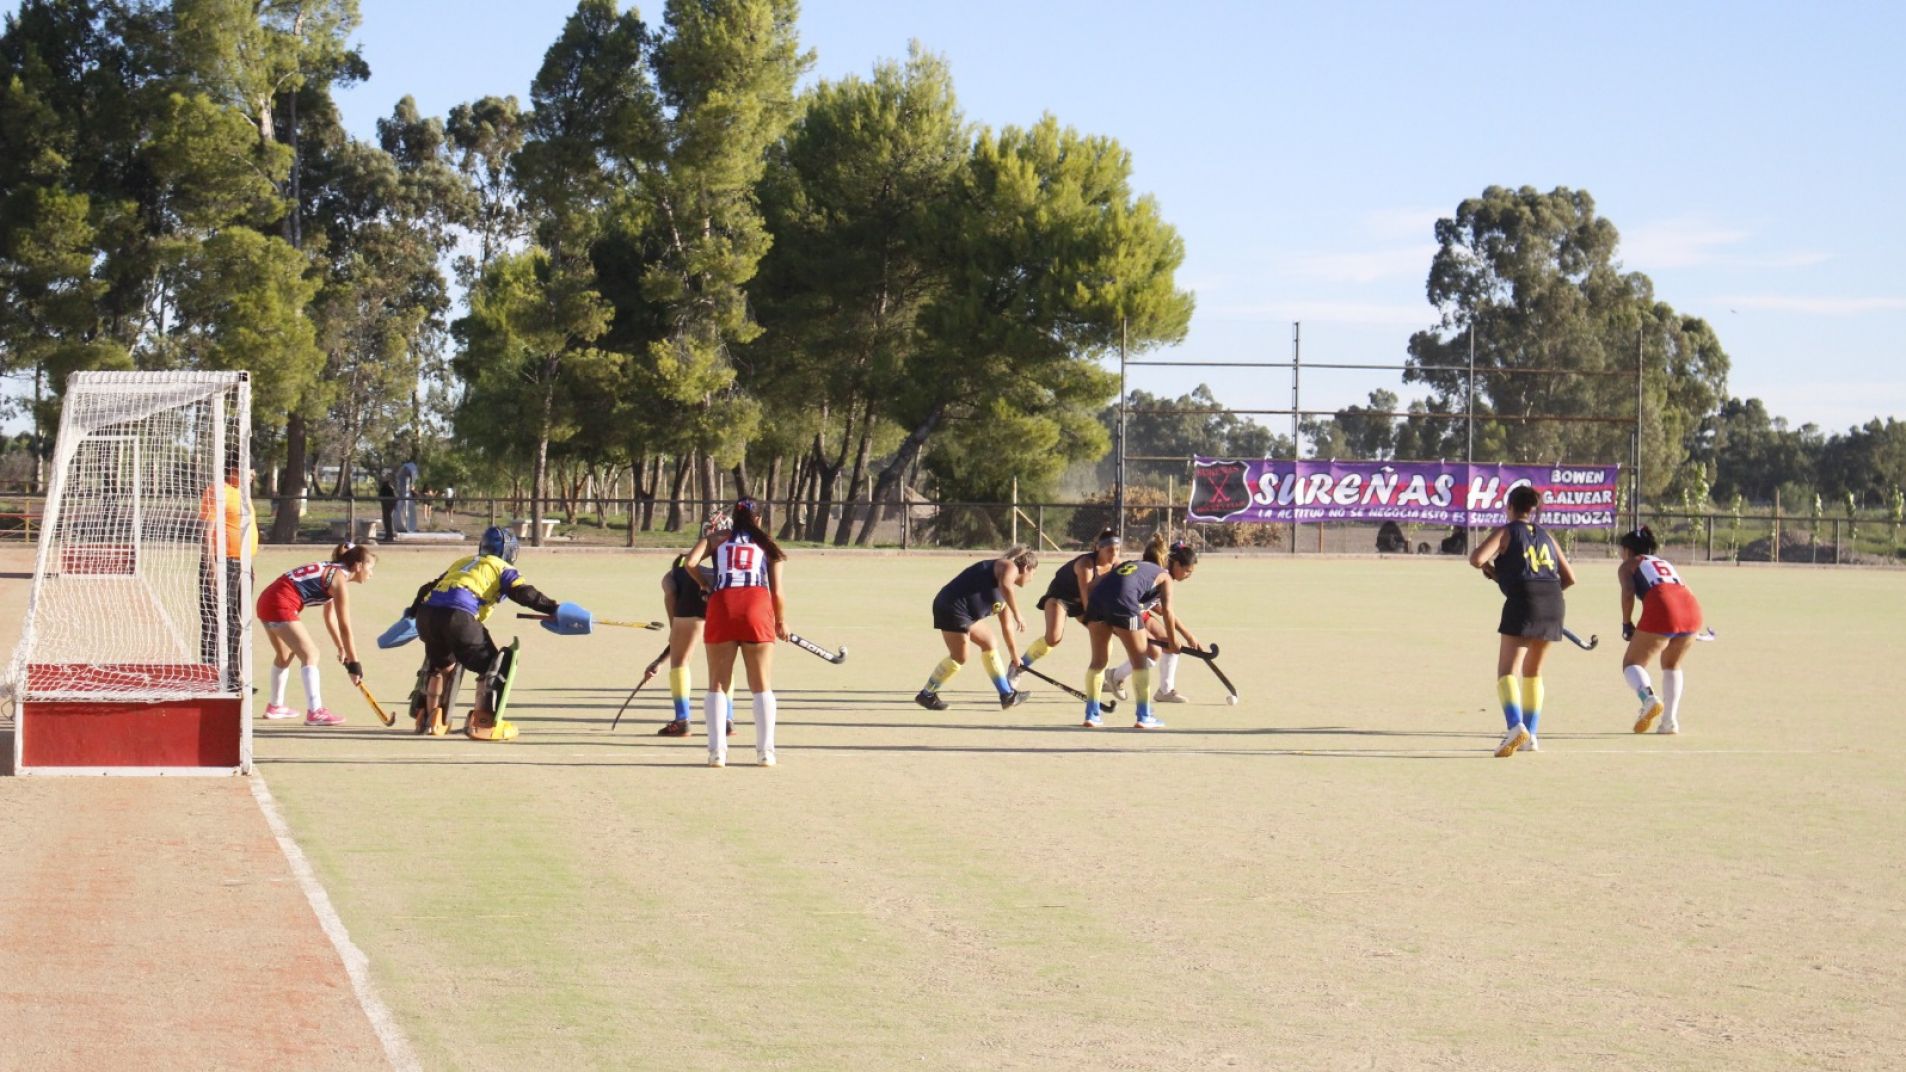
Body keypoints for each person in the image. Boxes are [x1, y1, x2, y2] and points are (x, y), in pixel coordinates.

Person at [410, 525, 573, 741]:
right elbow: (523, 593)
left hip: (428, 614)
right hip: (459, 616)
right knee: (491, 667)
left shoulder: (464, 562)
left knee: (442, 666)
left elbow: (427, 588)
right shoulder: (501, 567)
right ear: (508, 551)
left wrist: (412, 614)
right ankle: (483, 723)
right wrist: (553, 608)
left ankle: (430, 718)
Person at [1468, 485, 1577, 757]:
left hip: (1522, 601)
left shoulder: (1507, 530)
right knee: (1533, 672)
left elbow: (1476, 558)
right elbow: (1569, 578)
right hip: (1553, 602)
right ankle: (1531, 735)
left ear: (1510, 507)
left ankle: (1515, 726)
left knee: (1507, 671)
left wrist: (1493, 571)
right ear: (1533, 510)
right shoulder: (1547, 535)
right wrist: (1543, 597)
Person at [682, 498, 787, 768]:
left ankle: (717, 752)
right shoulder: (768, 544)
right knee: (761, 684)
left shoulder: (716, 538)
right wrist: (781, 622)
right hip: (756, 605)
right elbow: (777, 592)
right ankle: (766, 752)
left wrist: (706, 584)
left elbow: (689, 563)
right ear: (759, 519)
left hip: (723, 604)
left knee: (717, 683)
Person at [1081, 534, 1195, 730]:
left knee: (1098, 662)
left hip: (1097, 603)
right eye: (1187, 571)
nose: (1188, 576)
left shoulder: (1135, 565)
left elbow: (1097, 585)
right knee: (1140, 661)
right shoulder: (1165, 577)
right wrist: (1173, 641)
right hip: (1125, 605)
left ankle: (1092, 715)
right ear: (1174, 564)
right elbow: (1167, 611)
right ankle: (1144, 716)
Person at [256, 543, 376, 725]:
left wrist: (341, 648)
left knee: (285, 654)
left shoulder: (332, 571)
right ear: (358, 566)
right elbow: (345, 627)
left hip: (266, 600)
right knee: (311, 654)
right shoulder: (339, 580)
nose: (371, 573)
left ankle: (275, 707)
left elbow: (330, 619)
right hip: (280, 604)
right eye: (370, 568)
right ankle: (316, 712)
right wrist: (355, 663)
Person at [914, 547, 1038, 711]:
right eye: (1033, 574)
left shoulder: (1006, 591)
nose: (1032, 579)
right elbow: (1007, 586)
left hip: (965, 614)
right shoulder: (1009, 567)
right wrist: (1018, 614)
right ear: (1026, 568)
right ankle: (926, 695)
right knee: (960, 657)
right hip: (952, 607)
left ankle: (1007, 695)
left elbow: (1006, 626)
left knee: (989, 642)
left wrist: (1015, 656)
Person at [1616, 527, 1704, 735]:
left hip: (1663, 608)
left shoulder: (1628, 565)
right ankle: (1669, 721)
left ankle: (1648, 698)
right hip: (1692, 609)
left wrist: (1627, 623)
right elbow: (1685, 589)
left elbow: (1628, 592)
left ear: (1628, 550)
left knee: (1632, 663)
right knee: (1672, 664)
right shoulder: (1665, 563)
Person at [655, 515, 732, 739]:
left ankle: (682, 720)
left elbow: (669, 588)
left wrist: (673, 627)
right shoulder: (736, 558)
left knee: (680, 661)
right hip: (726, 598)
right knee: (722, 662)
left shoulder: (682, 561)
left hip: (690, 598)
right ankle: (727, 719)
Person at [1014, 529, 1119, 679]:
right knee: (1053, 638)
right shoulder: (1086, 565)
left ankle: (1102, 679)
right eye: (1109, 550)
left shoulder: (1117, 566)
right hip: (1061, 598)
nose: (1114, 554)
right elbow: (1087, 600)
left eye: (1117, 549)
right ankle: (1018, 667)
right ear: (1098, 548)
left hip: (1082, 602)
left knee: (1103, 637)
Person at [199, 461, 256, 689]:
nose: (252, 475)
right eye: (247, 470)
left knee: (239, 622)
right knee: (218, 620)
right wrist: (211, 565)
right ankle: (213, 675)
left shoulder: (242, 494)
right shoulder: (218, 491)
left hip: (242, 566)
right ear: (233, 471)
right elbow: (207, 530)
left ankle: (235, 675)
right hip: (224, 565)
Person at [378, 475, 397, 541]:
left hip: (388, 506)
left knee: (388, 521)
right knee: (386, 521)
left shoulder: (388, 488)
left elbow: (393, 498)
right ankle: (388, 535)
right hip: (386, 505)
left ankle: (389, 536)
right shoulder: (387, 488)